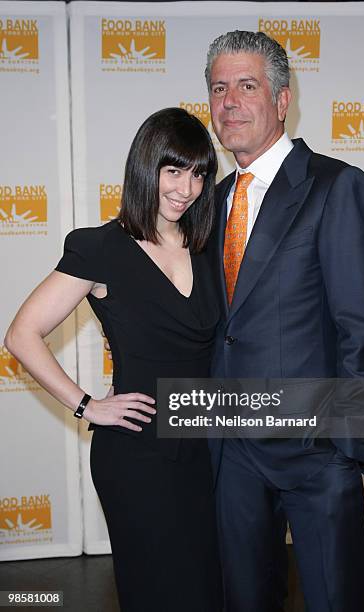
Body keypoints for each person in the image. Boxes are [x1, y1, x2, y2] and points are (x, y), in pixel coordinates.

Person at [4, 107, 223, 612]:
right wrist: (88, 405)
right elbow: (22, 334)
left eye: (198, 174)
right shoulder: (102, 247)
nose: (185, 188)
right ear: (147, 168)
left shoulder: (209, 248)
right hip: (139, 454)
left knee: (208, 589)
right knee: (157, 591)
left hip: (208, 449)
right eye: (173, 171)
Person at [204, 31, 364, 612]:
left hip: (315, 454)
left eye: (247, 86)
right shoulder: (210, 202)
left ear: (282, 101)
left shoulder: (338, 187)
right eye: (218, 88)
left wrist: (341, 449)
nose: (229, 101)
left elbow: (360, 328)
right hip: (231, 452)